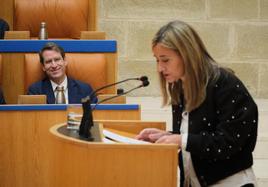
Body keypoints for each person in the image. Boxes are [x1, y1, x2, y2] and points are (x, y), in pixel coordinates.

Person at [136, 20, 258, 187]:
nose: (159, 68)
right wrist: (168, 136)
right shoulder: (180, 87)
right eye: (157, 60)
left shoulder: (225, 84)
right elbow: (198, 133)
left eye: (165, 60)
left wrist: (180, 140)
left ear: (187, 54)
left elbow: (228, 142)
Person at [28, 42, 97, 104]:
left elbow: (95, 115)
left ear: (65, 61)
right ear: (43, 67)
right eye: (49, 61)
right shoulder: (35, 91)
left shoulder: (84, 89)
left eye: (57, 59)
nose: (54, 65)